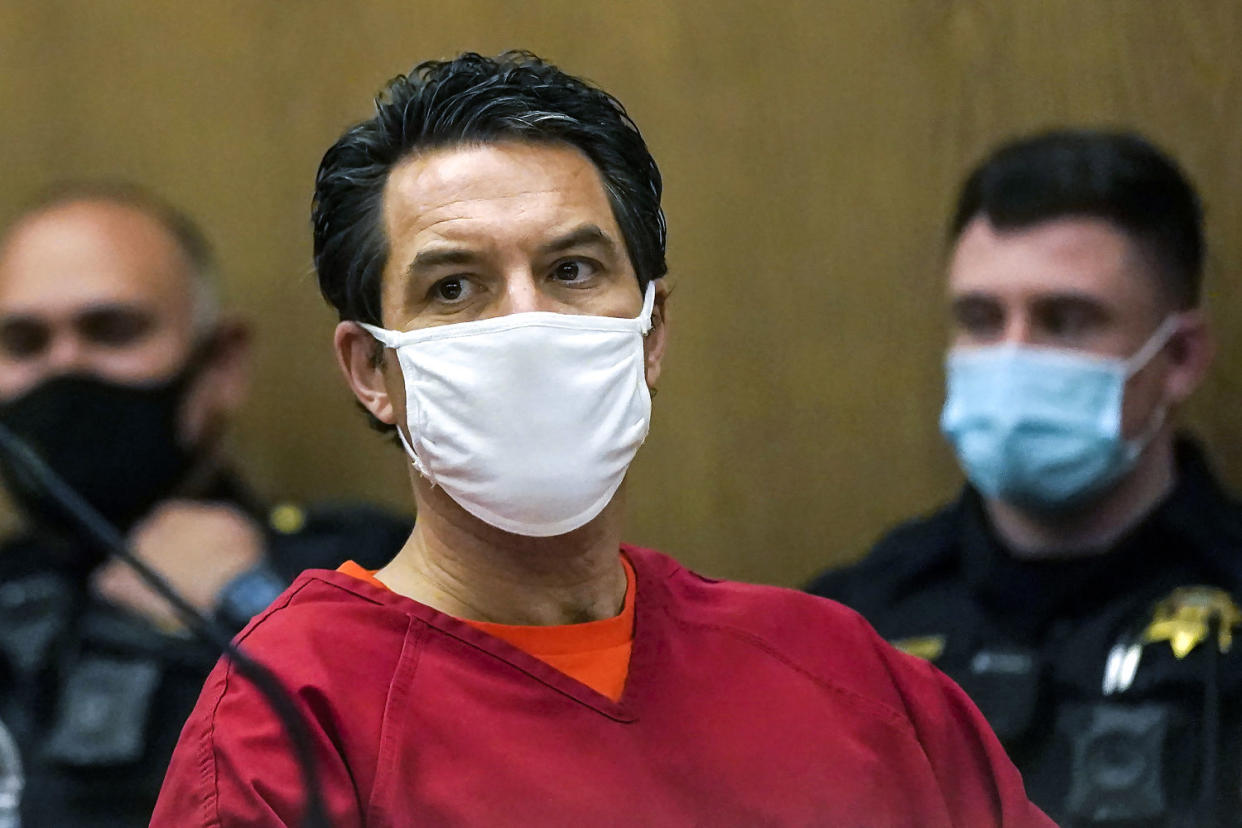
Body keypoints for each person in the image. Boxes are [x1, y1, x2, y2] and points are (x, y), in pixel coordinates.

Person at [152, 51, 1052, 827]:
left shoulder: (844, 676)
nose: (528, 323)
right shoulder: (287, 716)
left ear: (651, 334)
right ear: (371, 372)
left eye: (572, 270)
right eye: (455, 288)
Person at [808, 129, 1241, 827]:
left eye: (1065, 320)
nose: (1012, 358)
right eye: (981, 319)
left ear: (1182, 357)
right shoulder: (851, 629)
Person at [0, 184, 409, 827]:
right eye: (25, 343)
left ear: (222, 363)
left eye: (111, 331)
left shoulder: (366, 572)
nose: (66, 368)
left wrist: (254, 603)